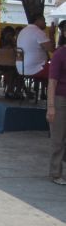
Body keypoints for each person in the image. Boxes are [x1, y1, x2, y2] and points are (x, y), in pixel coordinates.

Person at [47, 20, 66, 185]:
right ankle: (55, 173)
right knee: (58, 139)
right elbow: (52, 83)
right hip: (60, 100)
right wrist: (51, 107)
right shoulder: (60, 54)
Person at [16, 13, 55, 85]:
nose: (45, 22)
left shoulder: (23, 31)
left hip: (21, 68)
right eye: (44, 20)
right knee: (59, 69)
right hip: (35, 68)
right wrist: (52, 34)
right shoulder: (37, 32)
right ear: (38, 20)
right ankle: (56, 95)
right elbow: (52, 49)